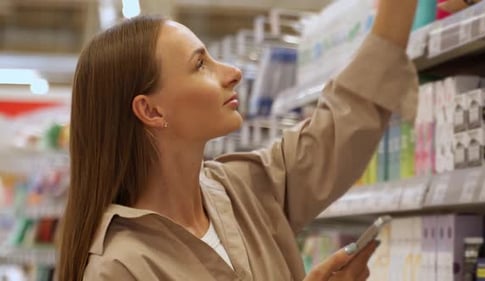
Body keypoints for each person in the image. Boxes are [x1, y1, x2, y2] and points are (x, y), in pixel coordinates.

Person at [57, 0, 418, 280]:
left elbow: (338, 130)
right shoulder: (120, 267)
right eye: (200, 64)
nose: (233, 73)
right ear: (151, 111)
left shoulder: (240, 191)